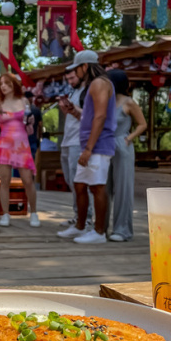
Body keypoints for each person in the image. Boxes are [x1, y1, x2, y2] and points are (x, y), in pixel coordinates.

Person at [57, 52, 116, 244]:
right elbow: (90, 115)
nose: (75, 73)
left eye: (77, 69)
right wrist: (73, 111)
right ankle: (80, 226)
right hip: (89, 144)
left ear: (85, 66)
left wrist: (89, 148)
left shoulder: (99, 83)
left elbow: (100, 116)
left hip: (98, 145)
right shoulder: (94, 85)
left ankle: (99, 232)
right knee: (80, 184)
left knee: (97, 186)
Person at [0, 73, 39, 228]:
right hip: (5, 144)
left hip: (21, 144)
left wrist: (30, 121)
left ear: (14, 84)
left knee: (28, 180)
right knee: (5, 181)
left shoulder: (24, 101)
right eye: (1, 84)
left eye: (7, 83)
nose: (3, 86)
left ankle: (34, 212)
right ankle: (5, 214)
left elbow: (29, 122)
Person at [105, 69, 147, 243]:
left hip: (122, 146)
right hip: (105, 145)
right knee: (103, 187)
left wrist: (129, 138)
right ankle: (101, 227)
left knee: (123, 188)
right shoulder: (106, 101)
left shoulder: (128, 102)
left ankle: (122, 230)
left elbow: (142, 124)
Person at [58, 56, 94, 228]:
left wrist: (73, 109)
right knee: (70, 180)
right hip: (67, 140)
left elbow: (88, 116)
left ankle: (86, 217)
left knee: (79, 180)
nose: (70, 81)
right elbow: (74, 116)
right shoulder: (74, 92)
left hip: (78, 141)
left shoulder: (89, 91)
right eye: (68, 79)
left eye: (72, 77)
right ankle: (78, 215)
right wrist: (66, 109)